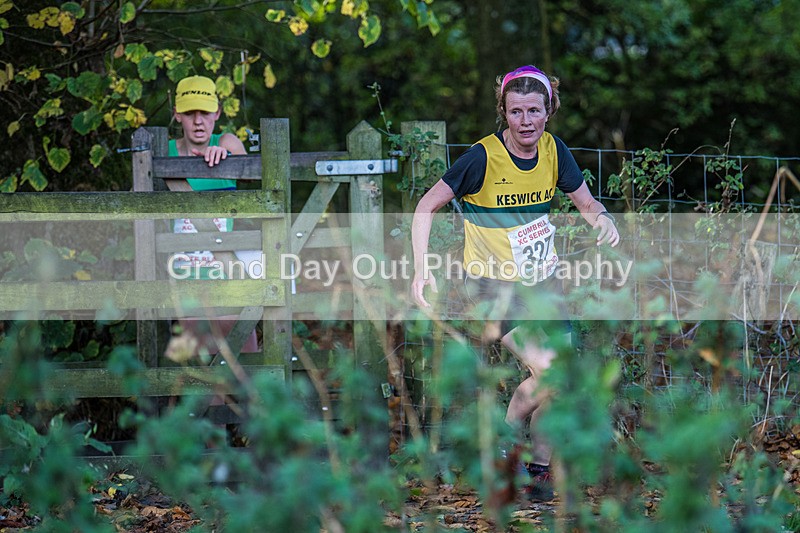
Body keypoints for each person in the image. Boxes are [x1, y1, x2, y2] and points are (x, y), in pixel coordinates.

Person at [411, 65, 619, 500]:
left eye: (534, 111)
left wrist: (601, 217)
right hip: (491, 287)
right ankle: (500, 447)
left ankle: (537, 473)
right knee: (549, 371)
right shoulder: (482, 157)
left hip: (543, 283)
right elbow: (425, 207)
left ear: (549, 112)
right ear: (503, 113)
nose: (525, 121)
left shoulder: (554, 152)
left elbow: (586, 202)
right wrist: (421, 267)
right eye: (516, 111)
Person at [168, 74, 258, 356]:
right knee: (203, 375)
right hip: (186, 275)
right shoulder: (164, 151)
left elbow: (257, 181)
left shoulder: (228, 142)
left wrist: (227, 159)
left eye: (205, 113)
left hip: (229, 270)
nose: (198, 121)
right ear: (177, 115)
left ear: (217, 113)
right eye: (190, 113)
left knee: (247, 363)